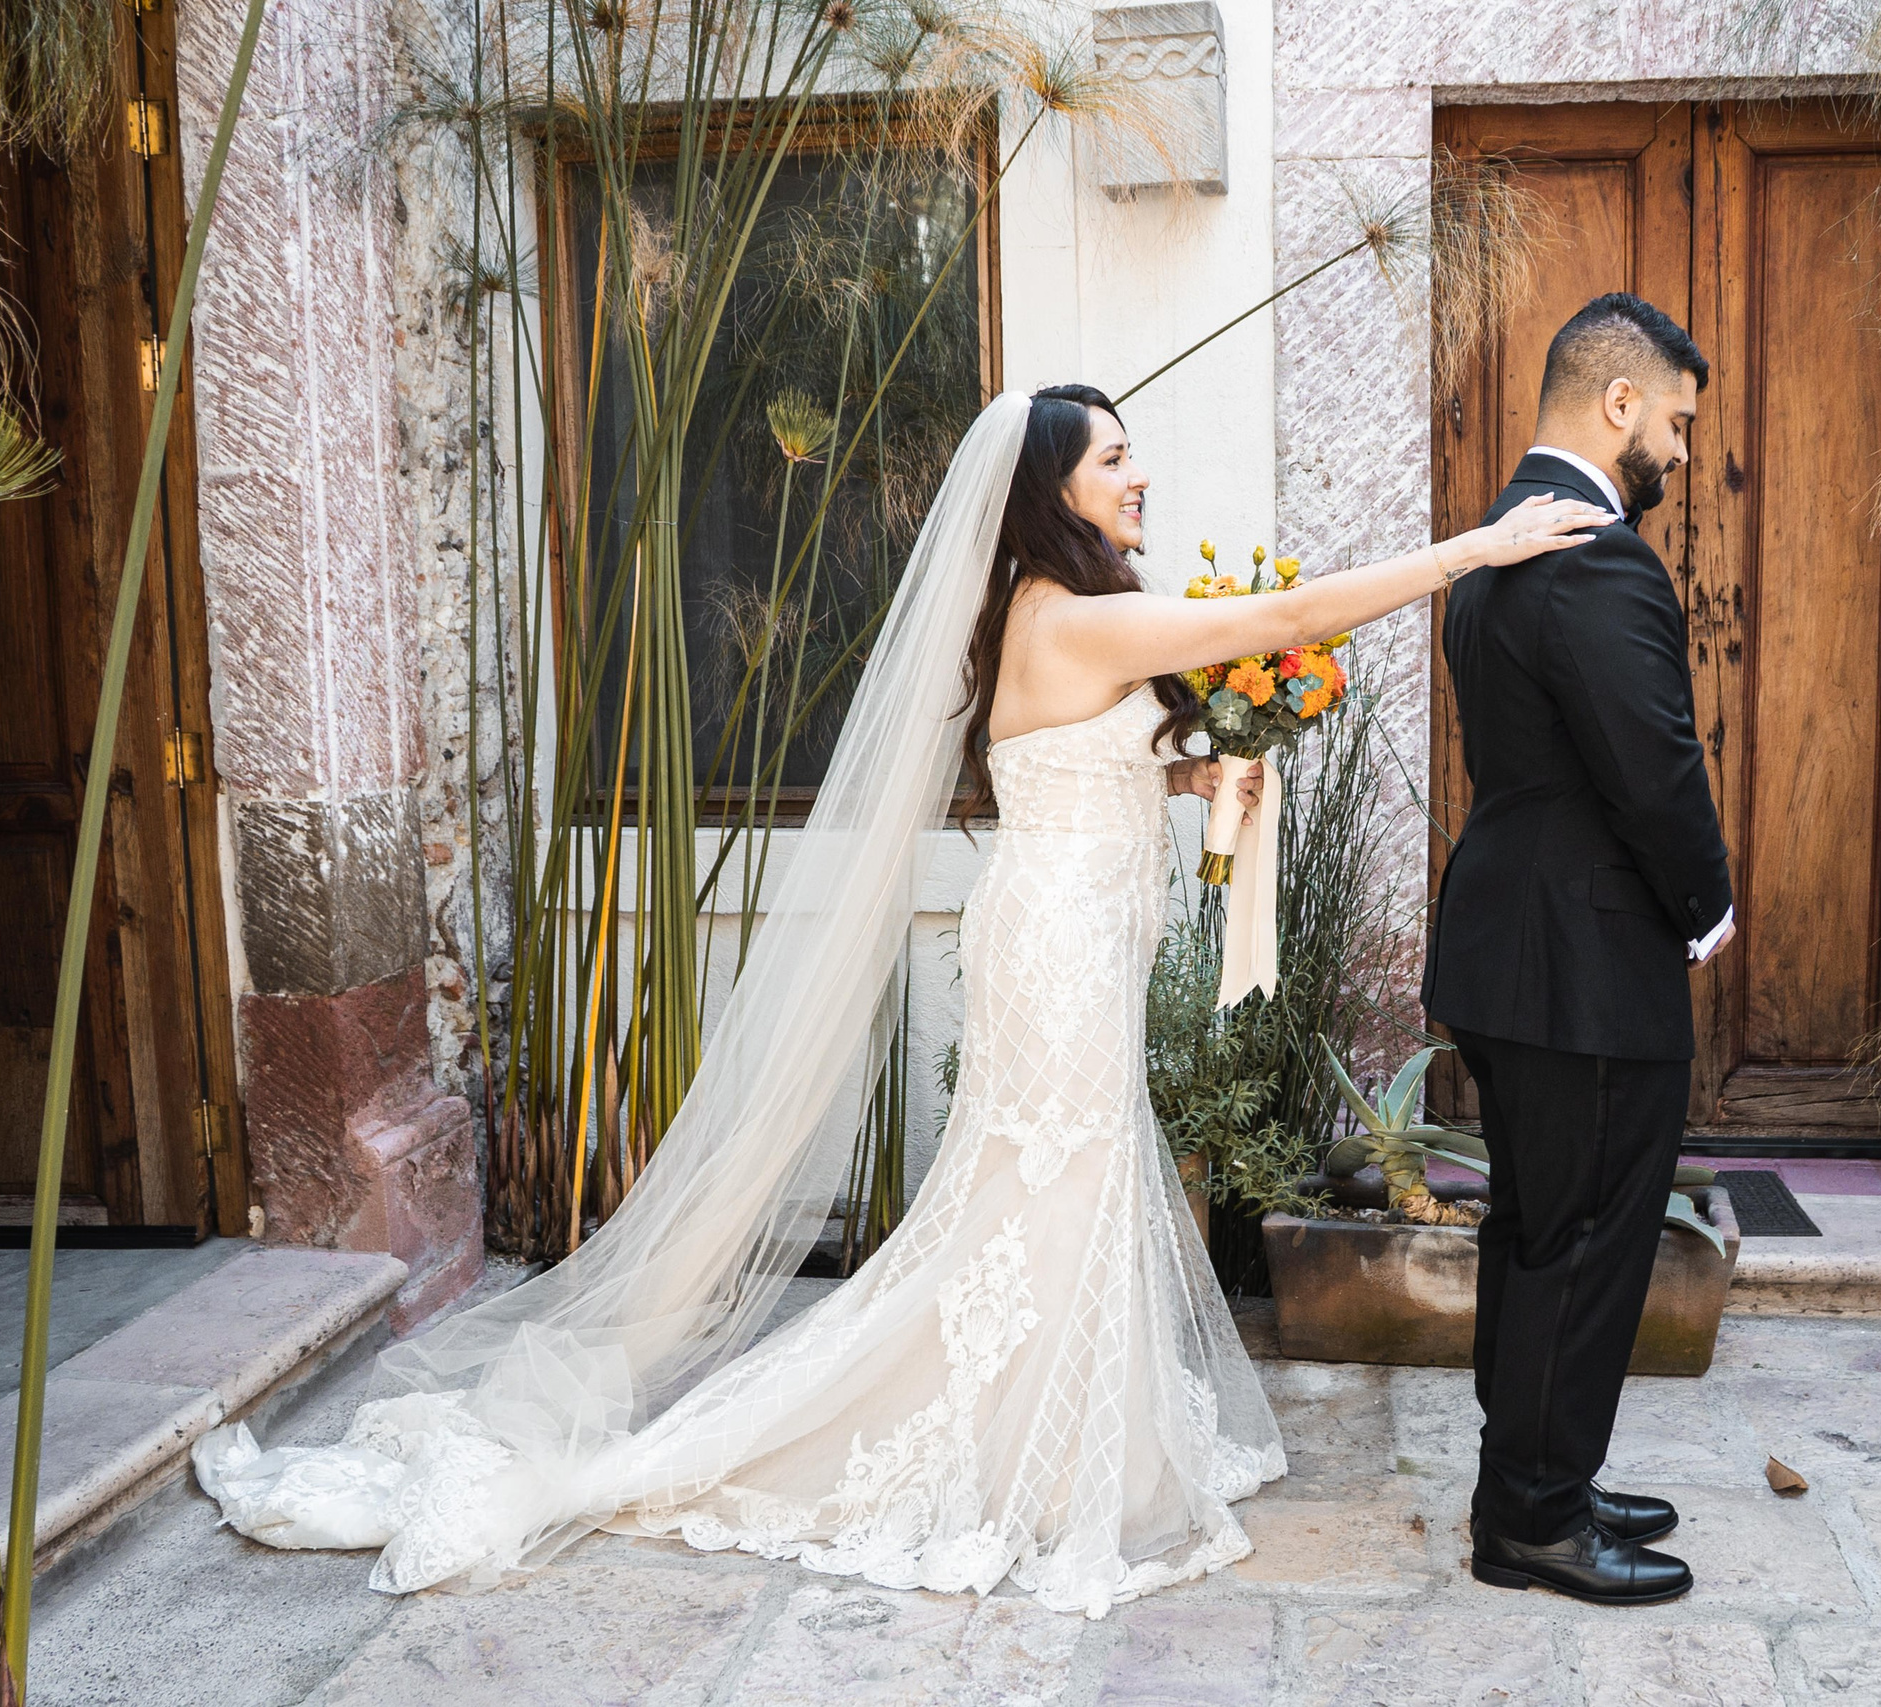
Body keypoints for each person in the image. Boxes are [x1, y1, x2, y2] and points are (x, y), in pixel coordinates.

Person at [194, 384, 1608, 1618]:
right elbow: (1291, 613)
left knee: (1049, 1197)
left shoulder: (1063, 618)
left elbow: (1087, 763)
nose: (1139, 475)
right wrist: (1480, 546)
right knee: (1045, 1193)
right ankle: (1021, 1457)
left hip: (1072, 938)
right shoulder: (1066, 614)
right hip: (1053, 949)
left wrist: (1194, 776)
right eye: (1115, 458)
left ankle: (1060, 1439)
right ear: (1050, 491)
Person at [1422, 293, 1735, 1607]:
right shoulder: (1593, 559)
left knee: (1539, 1235)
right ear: (1618, 406)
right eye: (1674, 420)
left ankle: (1537, 1484)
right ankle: (1535, 1523)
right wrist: (1707, 908)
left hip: (1514, 945)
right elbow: (1652, 770)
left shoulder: (1503, 546)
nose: (1678, 448)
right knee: (1587, 1241)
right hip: (1586, 968)